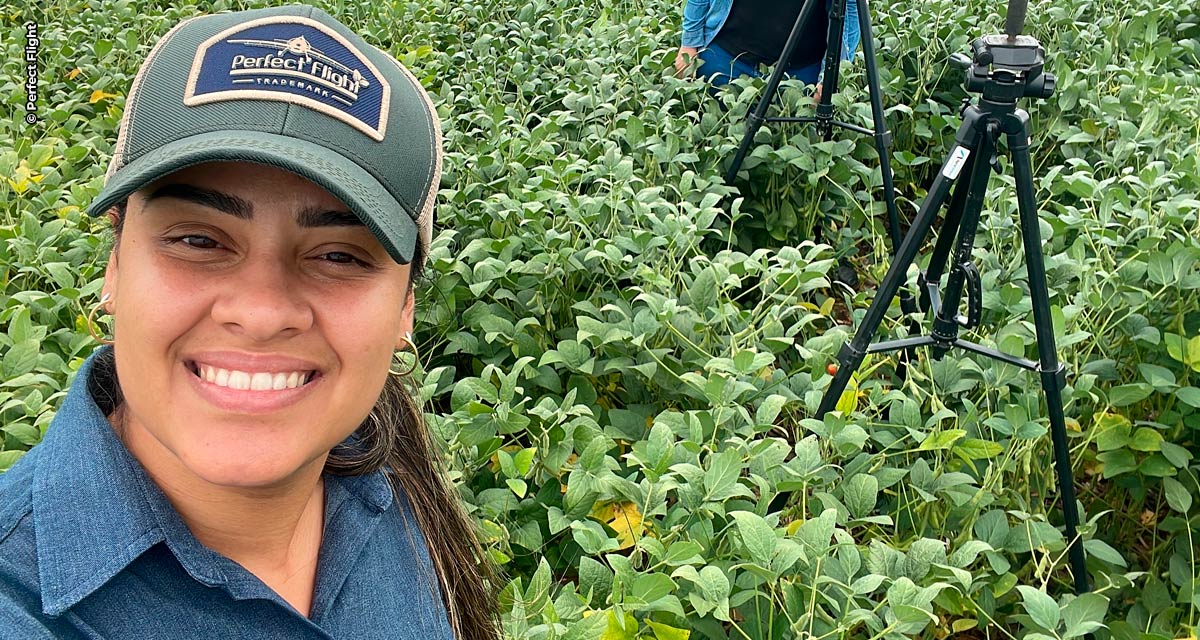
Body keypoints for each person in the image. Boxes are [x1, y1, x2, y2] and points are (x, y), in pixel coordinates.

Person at [0, 5, 498, 639]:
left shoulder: (389, 476)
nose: (260, 313)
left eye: (339, 256)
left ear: (406, 307)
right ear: (115, 267)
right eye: (198, 241)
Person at [675, 0, 862, 99]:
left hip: (799, 78)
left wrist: (830, 75)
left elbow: (850, 7)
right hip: (723, 63)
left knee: (788, 159)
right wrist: (689, 45)